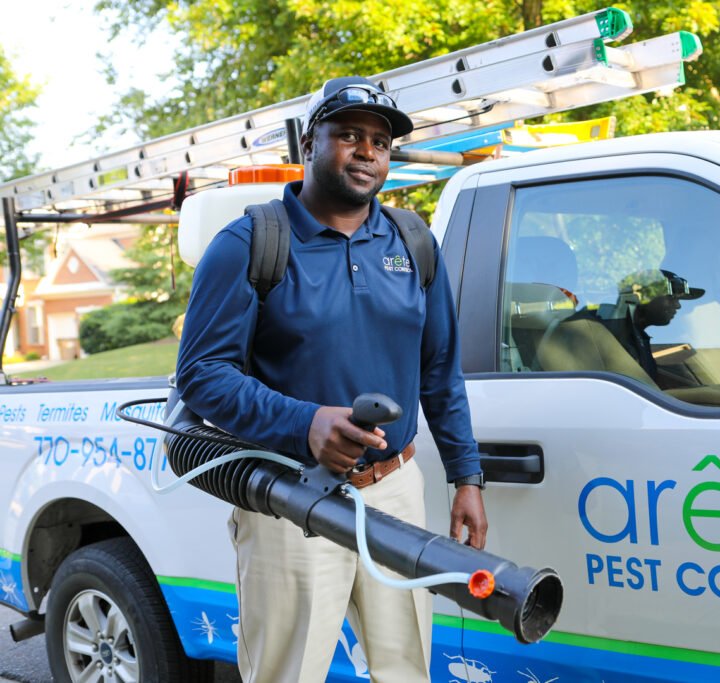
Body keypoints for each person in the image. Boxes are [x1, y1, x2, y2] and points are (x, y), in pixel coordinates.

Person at [175, 76, 487, 683]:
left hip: (394, 490)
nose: (367, 150)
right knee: (288, 673)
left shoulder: (412, 241)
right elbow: (202, 376)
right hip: (290, 494)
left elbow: (440, 373)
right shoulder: (249, 244)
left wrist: (466, 477)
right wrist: (307, 422)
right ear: (309, 145)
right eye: (347, 134)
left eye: (380, 140)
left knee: (406, 669)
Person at [602, 269, 704, 383]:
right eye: (672, 297)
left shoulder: (637, 337)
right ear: (642, 295)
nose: (678, 305)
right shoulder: (610, 335)